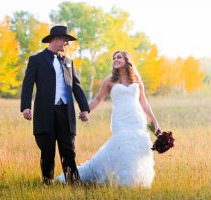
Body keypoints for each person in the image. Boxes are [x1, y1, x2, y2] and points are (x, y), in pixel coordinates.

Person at [57, 50, 161, 188]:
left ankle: (134, 181)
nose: (115, 60)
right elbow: (98, 98)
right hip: (120, 119)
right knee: (122, 145)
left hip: (136, 118)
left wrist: (155, 121)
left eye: (119, 57)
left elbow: (144, 103)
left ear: (127, 61)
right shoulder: (109, 81)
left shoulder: (136, 79)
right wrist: (86, 110)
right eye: (114, 58)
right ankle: (120, 180)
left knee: (136, 147)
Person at [20, 25, 90, 185]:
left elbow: (76, 87)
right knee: (47, 151)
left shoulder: (68, 62)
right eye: (65, 41)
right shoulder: (36, 60)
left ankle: (74, 185)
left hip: (65, 113)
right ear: (56, 39)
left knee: (69, 151)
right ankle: (47, 184)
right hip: (45, 113)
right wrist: (25, 106)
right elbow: (27, 85)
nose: (66, 44)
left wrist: (84, 109)